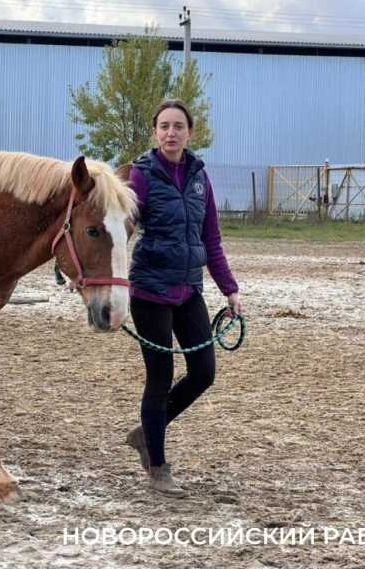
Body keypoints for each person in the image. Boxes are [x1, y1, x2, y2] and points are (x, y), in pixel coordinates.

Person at [125, 99, 241, 498]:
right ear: (154, 133)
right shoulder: (140, 176)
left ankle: (147, 432)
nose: (170, 132)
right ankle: (157, 467)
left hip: (189, 289)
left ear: (190, 132)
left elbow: (211, 238)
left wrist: (230, 288)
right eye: (163, 126)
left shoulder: (198, 178)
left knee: (203, 372)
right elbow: (120, 228)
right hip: (149, 291)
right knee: (158, 379)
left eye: (178, 126)